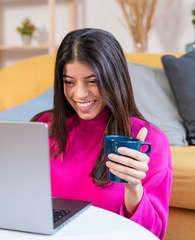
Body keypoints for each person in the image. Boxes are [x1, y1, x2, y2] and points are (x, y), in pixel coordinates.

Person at [32, 28, 172, 240]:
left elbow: (153, 235)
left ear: (114, 79)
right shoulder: (44, 126)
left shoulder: (149, 141)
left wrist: (133, 189)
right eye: (69, 82)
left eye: (92, 81)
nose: (79, 94)